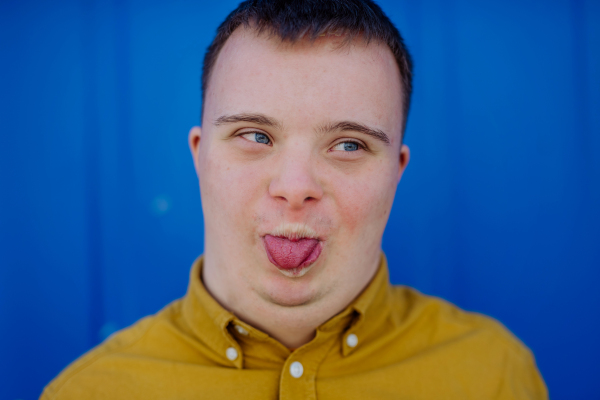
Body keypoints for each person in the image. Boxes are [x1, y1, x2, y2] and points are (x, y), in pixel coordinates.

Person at [41, 0, 548, 398]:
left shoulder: (494, 374)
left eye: (349, 145)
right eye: (254, 135)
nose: (295, 186)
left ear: (397, 172)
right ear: (200, 156)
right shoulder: (88, 393)